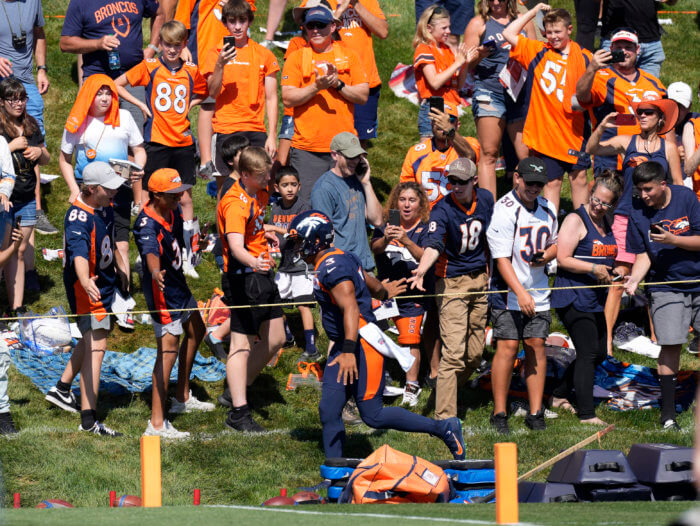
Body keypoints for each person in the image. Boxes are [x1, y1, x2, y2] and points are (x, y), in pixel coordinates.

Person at [284, 209, 467, 459]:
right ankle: (335, 471)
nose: (296, 248)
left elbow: (350, 309)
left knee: (373, 415)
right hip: (346, 343)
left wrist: (348, 351)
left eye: (298, 241)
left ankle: (444, 428)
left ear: (316, 239)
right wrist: (383, 291)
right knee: (329, 410)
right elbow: (370, 282)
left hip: (360, 344)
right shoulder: (340, 257)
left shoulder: (331, 268)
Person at [586, 96, 682, 354]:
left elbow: (679, 186)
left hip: (656, 218)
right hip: (626, 217)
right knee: (619, 278)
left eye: (648, 112)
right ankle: (605, 343)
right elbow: (592, 150)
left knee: (656, 277)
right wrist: (601, 127)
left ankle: (658, 336)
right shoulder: (626, 141)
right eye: (640, 111)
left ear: (660, 118)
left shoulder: (668, 148)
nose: (642, 115)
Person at [115, 20, 208, 279]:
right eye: (167, 44)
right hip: (156, 141)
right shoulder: (151, 66)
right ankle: (147, 250)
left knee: (186, 199)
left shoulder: (191, 70)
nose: (171, 50)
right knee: (150, 198)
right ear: (161, 44)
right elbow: (118, 83)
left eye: (176, 45)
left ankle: (190, 256)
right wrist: (142, 106)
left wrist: (191, 104)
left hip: (182, 143)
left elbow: (206, 91)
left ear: (183, 46)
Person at [45, 162, 127, 436]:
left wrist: (120, 266)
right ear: (91, 189)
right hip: (88, 287)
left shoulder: (103, 204)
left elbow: (109, 239)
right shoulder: (78, 218)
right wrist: (84, 281)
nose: (114, 191)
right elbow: (79, 255)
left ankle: (62, 389)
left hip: (104, 283)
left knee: (92, 337)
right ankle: (89, 420)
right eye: (109, 188)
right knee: (97, 346)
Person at [60, 75, 146, 330]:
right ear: (89, 94)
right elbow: (64, 159)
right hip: (88, 192)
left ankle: (122, 298)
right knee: (84, 245)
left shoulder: (124, 118)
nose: (105, 98)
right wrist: (74, 190)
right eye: (99, 93)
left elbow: (139, 149)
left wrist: (138, 168)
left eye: (109, 92)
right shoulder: (77, 120)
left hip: (117, 188)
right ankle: (85, 302)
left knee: (119, 242)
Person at [410, 158, 493, 421]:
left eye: (461, 182)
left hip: (480, 280)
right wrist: (422, 270)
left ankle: (448, 389)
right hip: (452, 283)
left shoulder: (487, 200)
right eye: (451, 181)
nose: (455, 186)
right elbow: (434, 244)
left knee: (475, 353)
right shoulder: (441, 210)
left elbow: (494, 236)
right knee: (454, 354)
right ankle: (444, 417)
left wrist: (491, 271)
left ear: (474, 181)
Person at [134, 168, 212, 439]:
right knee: (166, 354)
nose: (180, 197)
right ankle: (156, 424)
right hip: (163, 293)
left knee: (197, 330)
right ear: (156, 195)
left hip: (179, 286)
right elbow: (150, 253)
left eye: (180, 191)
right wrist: (155, 272)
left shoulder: (173, 211)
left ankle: (181, 395)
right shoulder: (147, 224)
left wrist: (197, 245)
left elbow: (178, 244)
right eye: (173, 194)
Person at [624, 161, 700, 430]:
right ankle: (668, 415)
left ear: (663, 184)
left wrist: (674, 240)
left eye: (648, 189)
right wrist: (634, 279)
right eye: (640, 190)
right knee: (671, 345)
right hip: (664, 285)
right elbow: (643, 254)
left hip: (698, 279)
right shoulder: (637, 211)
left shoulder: (686, 197)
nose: (643, 195)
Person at [486, 156, 558, 434]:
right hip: (508, 292)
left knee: (536, 344)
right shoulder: (504, 210)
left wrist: (547, 256)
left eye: (539, 184)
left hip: (538, 289)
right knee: (507, 346)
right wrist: (520, 293)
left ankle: (536, 411)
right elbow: (501, 259)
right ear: (517, 178)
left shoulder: (548, 208)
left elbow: (555, 243)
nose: (534, 188)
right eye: (529, 182)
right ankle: (499, 412)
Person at [216, 146, 285, 432]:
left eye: (268, 171)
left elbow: (250, 229)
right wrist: (254, 261)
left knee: (276, 338)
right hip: (244, 279)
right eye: (262, 174)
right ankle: (238, 412)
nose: (268, 177)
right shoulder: (234, 202)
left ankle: (236, 388)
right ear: (245, 175)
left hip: (262, 274)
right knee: (240, 345)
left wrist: (264, 233)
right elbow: (234, 246)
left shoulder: (256, 194)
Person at [550, 171, 623, 426]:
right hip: (571, 295)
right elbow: (563, 258)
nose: (599, 206)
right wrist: (593, 269)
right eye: (596, 199)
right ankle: (587, 414)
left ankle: (559, 395)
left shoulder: (608, 221)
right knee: (588, 353)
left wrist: (617, 272)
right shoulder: (575, 219)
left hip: (595, 298)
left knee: (600, 353)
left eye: (606, 203)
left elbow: (608, 256)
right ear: (590, 193)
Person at [503, 4, 592, 211]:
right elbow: (508, 32)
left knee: (579, 179)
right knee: (552, 182)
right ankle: (550, 230)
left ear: (569, 30)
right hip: (547, 133)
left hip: (575, 130)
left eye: (557, 32)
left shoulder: (584, 56)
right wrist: (533, 12)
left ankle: (583, 228)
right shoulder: (537, 51)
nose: (553, 36)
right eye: (549, 32)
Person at [282, 1, 369, 203]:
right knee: (307, 207)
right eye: (310, 26)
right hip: (307, 149)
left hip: (344, 149)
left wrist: (338, 84)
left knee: (346, 207)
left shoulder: (349, 55)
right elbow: (287, 97)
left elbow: (363, 95)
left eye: (321, 25)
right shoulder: (296, 57)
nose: (315, 30)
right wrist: (316, 87)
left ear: (333, 26)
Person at [201, 0, 280, 180]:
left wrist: (272, 136)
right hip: (226, 128)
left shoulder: (264, 54)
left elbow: (272, 98)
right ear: (225, 23)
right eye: (232, 21)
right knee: (226, 188)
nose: (237, 26)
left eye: (242, 20)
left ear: (250, 21)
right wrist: (220, 64)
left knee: (260, 185)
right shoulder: (215, 52)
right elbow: (212, 93)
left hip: (256, 128)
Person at [463, 0, 534, 199]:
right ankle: (488, 211)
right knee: (489, 153)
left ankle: (519, 206)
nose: (496, 2)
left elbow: (536, 55)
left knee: (525, 156)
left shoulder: (523, 21)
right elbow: (467, 66)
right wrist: (480, 55)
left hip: (518, 94)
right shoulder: (478, 24)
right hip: (489, 91)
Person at [370, 182, 431, 406]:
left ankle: (411, 385)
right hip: (384, 292)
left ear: (420, 204)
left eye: (412, 200)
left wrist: (405, 240)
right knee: (375, 337)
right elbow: (374, 248)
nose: (406, 205)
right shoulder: (387, 224)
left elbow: (425, 256)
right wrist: (386, 238)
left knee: (410, 340)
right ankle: (379, 379)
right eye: (402, 200)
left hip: (412, 294)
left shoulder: (425, 227)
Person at [60, 0, 164, 131]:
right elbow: (65, 43)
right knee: (95, 136)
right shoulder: (81, 2)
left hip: (132, 77)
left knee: (136, 134)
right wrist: (98, 44)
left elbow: (159, 13)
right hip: (98, 76)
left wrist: (152, 47)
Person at [575, 28, 666, 175]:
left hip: (648, 161)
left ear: (637, 50)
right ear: (611, 49)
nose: (624, 52)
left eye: (628, 47)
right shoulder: (601, 77)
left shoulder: (654, 83)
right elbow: (581, 96)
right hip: (610, 160)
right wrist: (591, 69)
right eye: (618, 48)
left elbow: (667, 123)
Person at [0, 0, 57, 236]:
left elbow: (39, 32)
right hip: (2, 84)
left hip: (26, 82)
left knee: (33, 142)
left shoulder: (32, 1)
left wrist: (41, 67)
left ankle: (35, 211)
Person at [0, 78, 49, 314]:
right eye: (13, 99)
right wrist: (10, 148)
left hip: (27, 198)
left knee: (19, 251)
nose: (19, 104)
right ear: (2, 102)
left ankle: (16, 307)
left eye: (22, 98)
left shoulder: (30, 123)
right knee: (3, 253)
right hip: (5, 199)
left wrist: (39, 151)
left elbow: (48, 158)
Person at [268, 166, 319, 361]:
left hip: (302, 265)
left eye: (293, 185)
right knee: (275, 302)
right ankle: (287, 336)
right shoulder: (276, 208)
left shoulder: (304, 208)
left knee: (303, 305)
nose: (289, 189)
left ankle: (312, 347)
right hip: (284, 264)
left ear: (299, 186)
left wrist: (274, 228)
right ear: (276, 187)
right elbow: (275, 235)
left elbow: (299, 234)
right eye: (285, 185)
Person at [310, 132, 382, 272]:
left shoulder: (359, 179)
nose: (355, 161)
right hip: (341, 268)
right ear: (334, 155)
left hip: (364, 266)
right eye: (350, 156)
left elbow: (377, 220)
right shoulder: (324, 189)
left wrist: (367, 183)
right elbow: (323, 238)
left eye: (357, 156)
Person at [400, 103, 479, 207]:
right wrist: (395, 220)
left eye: (449, 120)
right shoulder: (415, 153)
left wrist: (450, 131)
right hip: (426, 216)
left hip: (459, 214)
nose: (442, 124)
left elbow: (470, 157)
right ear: (431, 123)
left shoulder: (469, 143)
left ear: (457, 125)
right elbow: (404, 191)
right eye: (438, 119)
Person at [332, 0, 388, 146]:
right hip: (331, 82)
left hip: (364, 82)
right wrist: (340, 11)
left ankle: (359, 169)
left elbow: (383, 31)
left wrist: (355, 4)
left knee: (358, 144)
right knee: (330, 140)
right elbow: (311, 32)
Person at [412, 5, 472, 138]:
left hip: (451, 108)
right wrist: (457, 63)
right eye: (444, 28)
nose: (449, 31)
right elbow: (434, 82)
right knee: (431, 155)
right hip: (434, 108)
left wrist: (465, 63)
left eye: (449, 27)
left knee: (450, 154)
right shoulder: (424, 49)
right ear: (429, 28)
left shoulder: (447, 50)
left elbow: (458, 86)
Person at [599, 0, 678, 79]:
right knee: (613, 88)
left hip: (651, 44)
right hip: (618, 42)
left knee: (649, 89)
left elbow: (671, 2)